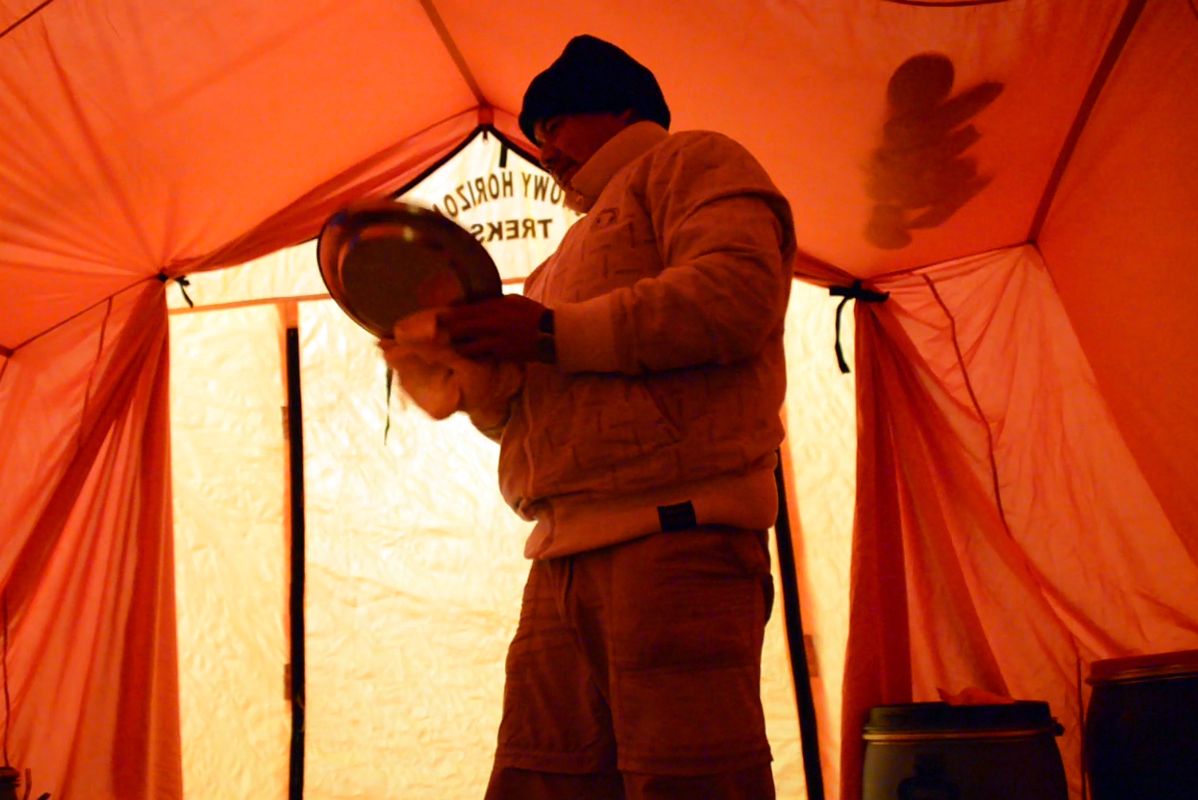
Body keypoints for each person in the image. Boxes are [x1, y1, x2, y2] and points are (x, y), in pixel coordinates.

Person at [386, 34, 796, 800]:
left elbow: (732, 299)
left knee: (691, 785)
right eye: (536, 136)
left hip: (677, 541)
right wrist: (456, 358)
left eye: (556, 124)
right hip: (561, 557)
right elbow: (522, 416)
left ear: (624, 106)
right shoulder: (560, 257)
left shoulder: (697, 162)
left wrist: (543, 332)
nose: (545, 151)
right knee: (543, 782)